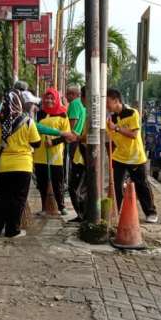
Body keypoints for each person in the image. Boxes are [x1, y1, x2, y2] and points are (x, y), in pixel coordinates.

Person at [0, 90, 41, 239]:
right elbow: (37, 143)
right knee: (18, 199)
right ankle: (12, 230)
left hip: (3, 166)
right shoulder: (28, 121)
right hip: (23, 166)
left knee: (1, 197)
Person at [106, 88, 157, 223]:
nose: (106, 105)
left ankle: (151, 212)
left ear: (116, 101)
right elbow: (110, 140)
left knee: (141, 185)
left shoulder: (132, 113)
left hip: (135, 156)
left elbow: (134, 134)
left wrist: (116, 128)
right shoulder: (110, 118)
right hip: (119, 157)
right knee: (116, 186)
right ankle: (116, 212)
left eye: (108, 102)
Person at [34, 87, 70, 215]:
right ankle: (45, 207)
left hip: (55, 155)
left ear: (56, 99)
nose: (49, 100)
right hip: (40, 153)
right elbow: (34, 129)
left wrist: (53, 142)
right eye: (47, 98)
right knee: (42, 182)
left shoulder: (63, 114)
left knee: (57, 181)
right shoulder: (40, 113)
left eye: (52, 98)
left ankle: (61, 206)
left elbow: (67, 136)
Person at [66, 85, 87, 221]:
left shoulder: (74, 104)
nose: (67, 97)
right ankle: (82, 214)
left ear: (74, 94)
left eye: (68, 94)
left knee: (74, 183)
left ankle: (81, 214)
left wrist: (72, 136)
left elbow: (72, 125)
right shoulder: (85, 106)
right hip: (81, 142)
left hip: (76, 141)